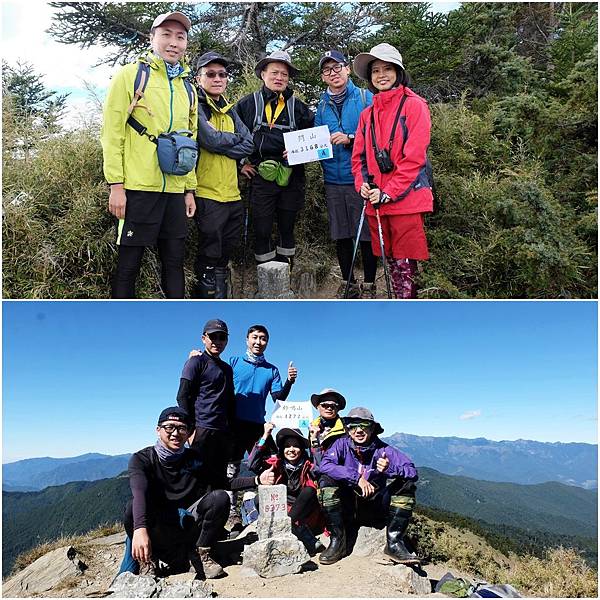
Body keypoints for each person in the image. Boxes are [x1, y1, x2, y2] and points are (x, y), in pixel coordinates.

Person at [101, 11, 197, 299]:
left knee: (174, 263)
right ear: (151, 37)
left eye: (180, 37)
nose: (173, 42)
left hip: (175, 190)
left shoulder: (188, 88)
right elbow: (112, 133)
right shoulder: (131, 76)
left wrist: (189, 189)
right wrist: (116, 186)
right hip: (139, 188)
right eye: (166, 34)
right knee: (129, 266)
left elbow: (190, 144)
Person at [123, 406, 275, 579]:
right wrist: (140, 529)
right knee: (131, 509)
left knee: (220, 497)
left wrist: (257, 480)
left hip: (190, 523)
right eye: (169, 427)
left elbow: (223, 482)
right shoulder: (142, 459)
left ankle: (202, 553)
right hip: (160, 524)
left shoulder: (194, 458)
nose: (175, 433)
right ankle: (148, 561)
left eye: (181, 428)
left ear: (188, 432)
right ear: (158, 430)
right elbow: (139, 492)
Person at [189, 324, 298, 529]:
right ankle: (230, 515)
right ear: (247, 339)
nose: (258, 342)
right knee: (231, 469)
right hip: (231, 424)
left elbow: (278, 398)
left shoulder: (272, 370)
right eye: (255, 337)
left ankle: (267, 508)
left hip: (258, 425)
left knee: (270, 465)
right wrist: (196, 358)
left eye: (263, 338)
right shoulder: (233, 363)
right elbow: (211, 372)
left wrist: (290, 382)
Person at [351, 43, 434, 299]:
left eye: (387, 68)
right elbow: (359, 158)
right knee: (389, 264)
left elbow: (415, 158)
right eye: (375, 70)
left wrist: (388, 192)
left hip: (406, 200)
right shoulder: (367, 114)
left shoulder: (415, 105)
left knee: (406, 265)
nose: (381, 75)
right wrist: (362, 184)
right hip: (378, 202)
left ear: (398, 71)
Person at [234, 50, 314, 269]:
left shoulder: (300, 108)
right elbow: (232, 136)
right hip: (260, 175)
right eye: (275, 72)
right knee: (262, 226)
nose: (279, 78)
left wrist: (299, 153)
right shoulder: (246, 105)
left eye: (284, 74)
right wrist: (241, 164)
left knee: (287, 225)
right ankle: (265, 274)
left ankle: (286, 270)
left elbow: (315, 141)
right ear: (263, 74)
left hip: (292, 175)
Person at [317, 407, 419, 566]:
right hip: (347, 507)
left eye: (363, 425)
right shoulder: (340, 445)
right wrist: (356, 478)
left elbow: (412, 472)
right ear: (347, 429)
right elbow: (325, 465)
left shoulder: (384, 450)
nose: (358, 430)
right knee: (325, 480)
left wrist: (390, 469)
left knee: (406, 484)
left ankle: (394, 543)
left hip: (375, 507)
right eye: (352, 425)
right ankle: (338, 541)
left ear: (372, 428)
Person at [315, 50, 378, 299]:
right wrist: (296, 154)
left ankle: (371, 283)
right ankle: (349, 283)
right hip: (333, 179)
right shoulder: (321, 106)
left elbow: (378, 135)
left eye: (338, 66)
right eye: (328, 70)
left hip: (362, 178)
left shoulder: (366, 98)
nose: (334, 73)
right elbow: (314, 142)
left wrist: (351, 138)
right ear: (323, 77)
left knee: (365, 234)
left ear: (348, 69)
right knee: (341, 233)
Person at [192, 51, 254, 299]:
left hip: (232, 193)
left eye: (222, 74)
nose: (217, 78)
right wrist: (229, 142)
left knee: (227, 247)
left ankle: (220, 291)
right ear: (199, 78)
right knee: (210, 247)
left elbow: (249, 143)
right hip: (206, 191)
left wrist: (223, 143)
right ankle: (205, 296)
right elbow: (208, 140)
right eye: (210, 74)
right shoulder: (195, 105)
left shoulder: (229, 108)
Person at [248, 424, 325, 554]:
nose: (291, 449)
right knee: (258, 499)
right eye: (287, 446)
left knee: (309, 491)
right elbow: (252, 464)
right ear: (282, 449)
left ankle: (284, 529)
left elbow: (321, 467)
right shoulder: (276, 464)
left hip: (304, 513)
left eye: (296, 445)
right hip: (283, 510)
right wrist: (265, 435)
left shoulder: (308, 465)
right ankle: (299, 533)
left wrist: (315, 439)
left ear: (301, 449)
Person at [176, 319, 234, 483]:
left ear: (226, 341)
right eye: (213, 336)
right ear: (204, 338)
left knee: (219, 477)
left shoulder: (227, 369)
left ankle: (217, 508)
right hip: (201, 429)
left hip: (221, 431)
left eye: (222, 337)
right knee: (197, 478)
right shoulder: (195, 362)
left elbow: (229, 400)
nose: (217, 341)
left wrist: (230, 431)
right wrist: (191, 430)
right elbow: (182, 396)